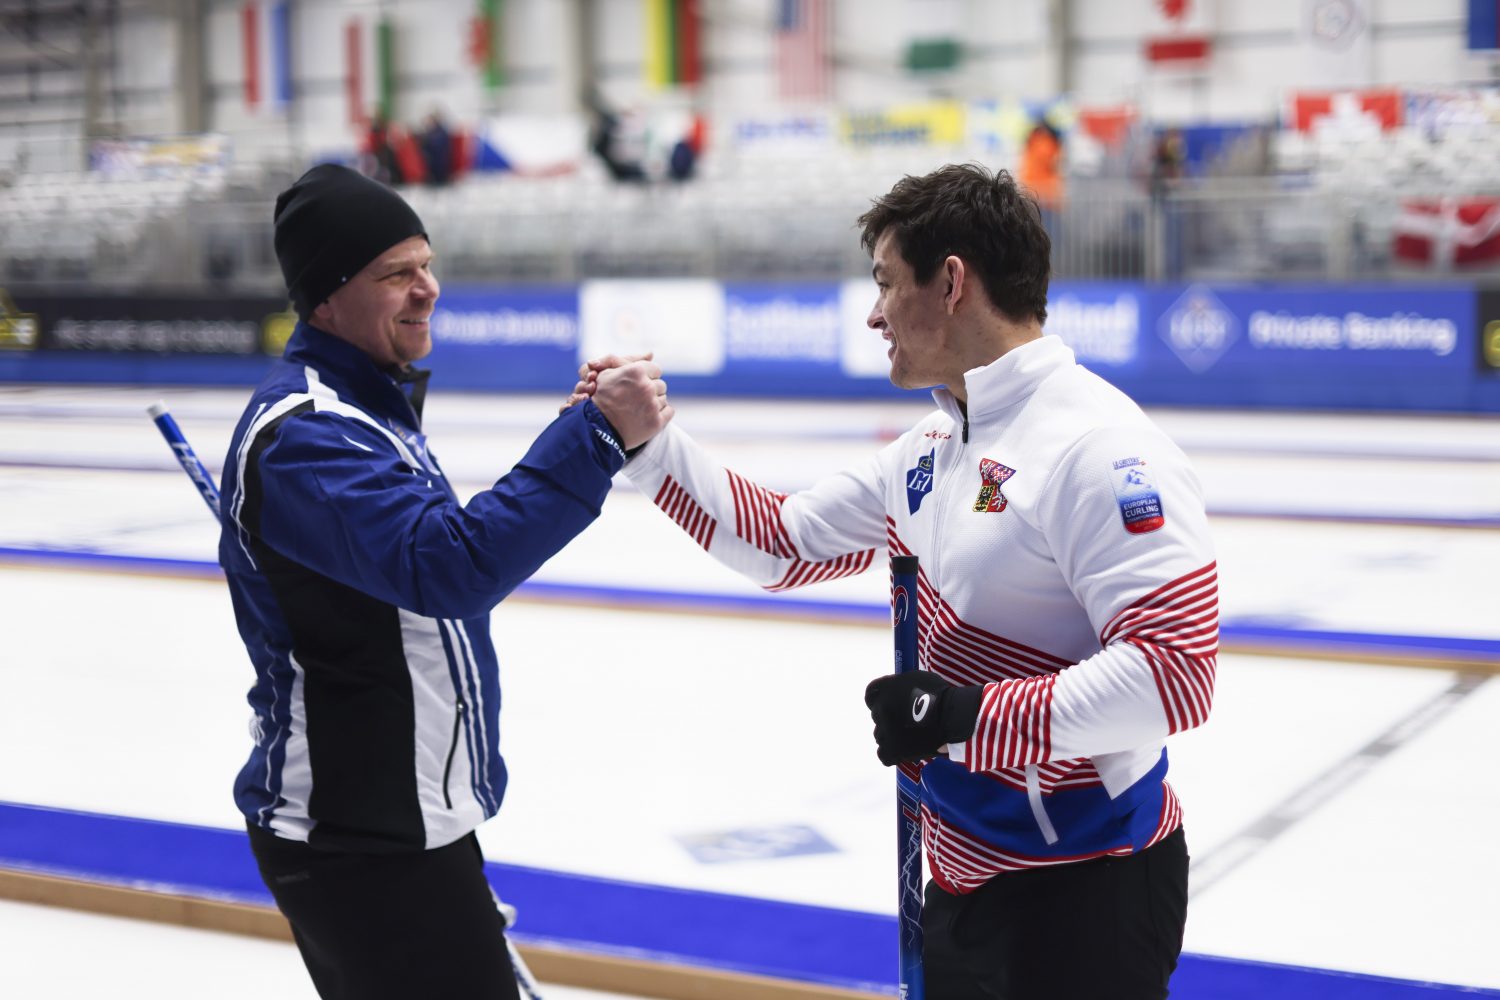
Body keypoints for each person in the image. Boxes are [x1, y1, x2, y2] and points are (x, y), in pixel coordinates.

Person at [571, 164, 1216, 1000]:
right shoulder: (933, 448)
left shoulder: (1102, 449)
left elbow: (1175, 676)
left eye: (883, 283)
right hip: (958, 879)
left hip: (1090, 886)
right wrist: (650, 444)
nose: (873, 313)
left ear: (951, 282)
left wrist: (959, 718)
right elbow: (783, 542)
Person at [219, 163, 671, 1000]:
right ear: (326, 296)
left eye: (425, 263)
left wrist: (580, 429)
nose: (426, 288)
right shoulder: (306, 436)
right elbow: (448, 567)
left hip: (409, 818)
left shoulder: (369, 411)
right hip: (357, 839)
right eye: (396, 273)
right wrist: (594, 438)